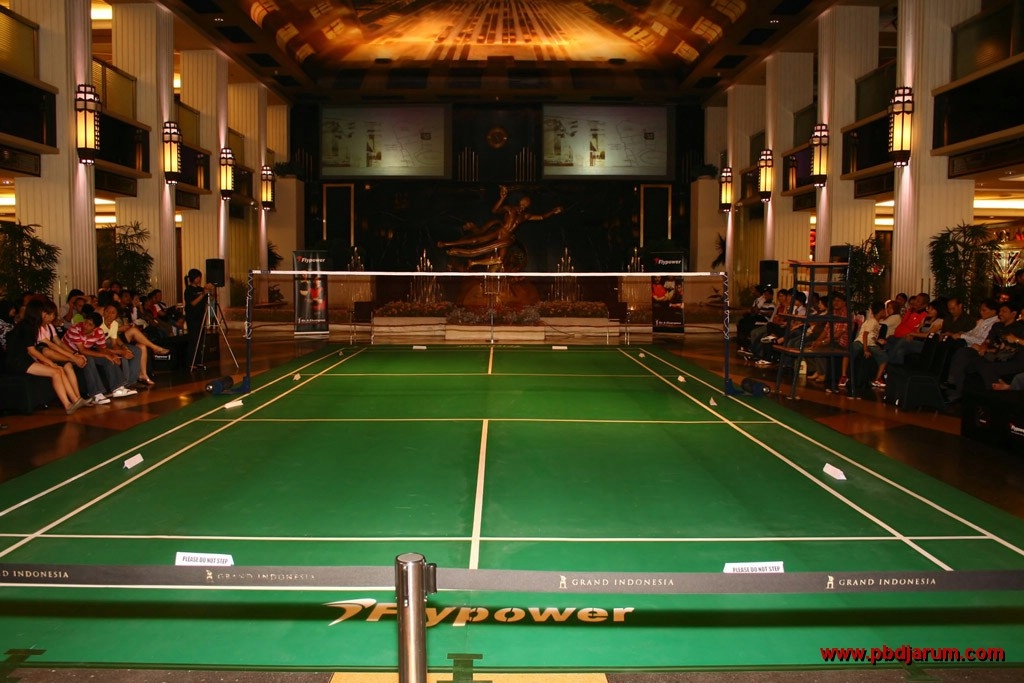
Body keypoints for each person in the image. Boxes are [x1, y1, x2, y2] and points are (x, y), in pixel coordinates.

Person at [438, 185, 562, 271]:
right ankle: (447, 244)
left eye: (526, 205)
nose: (524, 206)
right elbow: (495, 210)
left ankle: (473, 262)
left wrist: (553, 211)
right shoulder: (509, 209)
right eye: (523, 203)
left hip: (507, 237)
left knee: (499, 260)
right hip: (500, 231)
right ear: (520, 201)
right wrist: (502, 198)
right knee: (476, 241)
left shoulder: (525, 216)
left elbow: (541, 217)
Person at [4, 300, 87, 415]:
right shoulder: (26, 326)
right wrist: (50, 362)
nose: (45, 315)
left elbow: (49, 343)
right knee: (55, 371)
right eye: (43, 312)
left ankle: (75, 400)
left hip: (26, 359)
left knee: (59, 369)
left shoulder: (33, 325)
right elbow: (32, 350)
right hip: (18, 362)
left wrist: (70, 356)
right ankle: (68, 405)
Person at [184, 268, 215, 370]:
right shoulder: (188, 290)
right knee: (193, 339)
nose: (199, 279)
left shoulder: (201, 289)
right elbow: (192, 303)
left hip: (201, 316)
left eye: (200, 277)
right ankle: (190, 362)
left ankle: (198, 361)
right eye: (198, 277)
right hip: (192, 317)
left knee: (200, 340)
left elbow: (211, 299)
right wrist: (202, 294)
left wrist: (211, 290)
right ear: (193, 278)